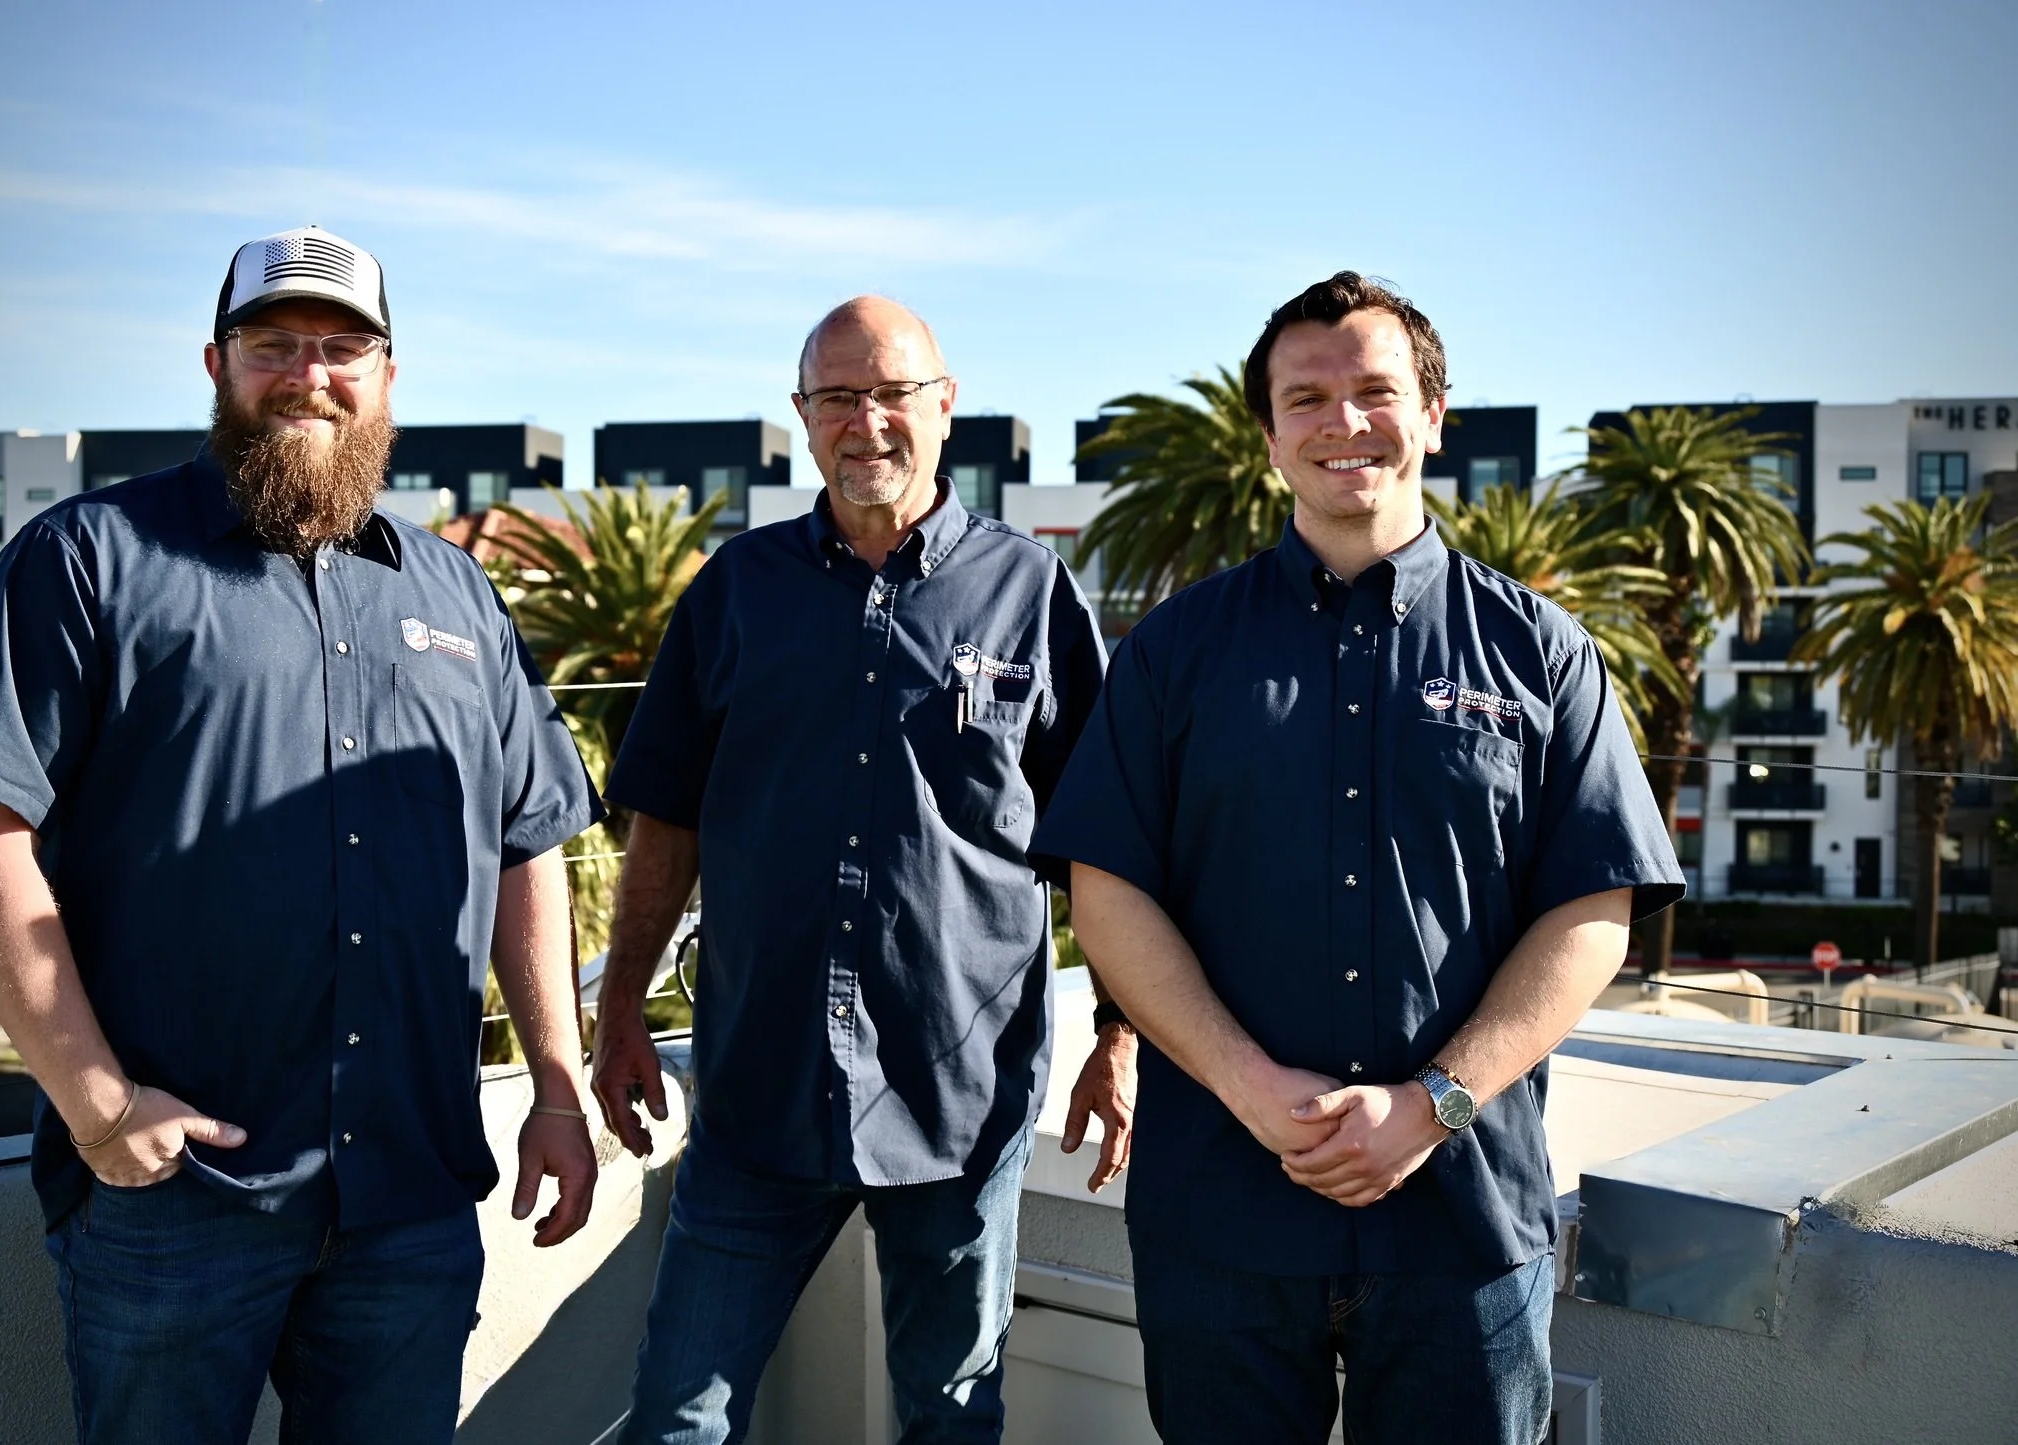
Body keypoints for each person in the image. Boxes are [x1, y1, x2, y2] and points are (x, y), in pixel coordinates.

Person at [0, 225, 605, 1445]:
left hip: (410, 1198)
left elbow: (524, 843)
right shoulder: (88, 560)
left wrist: (555, 1084)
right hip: (179, 1208)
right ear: (216, 363)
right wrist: (101, 1105)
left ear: (390, 375)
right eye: (272, 344)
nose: (308, 374)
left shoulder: (458, 598)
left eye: (342, 347)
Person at [1033, 271, 1684, 1445]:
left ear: (1433, 415)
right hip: (1222, 1226)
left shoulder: (1542, 652)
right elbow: (1108, 889)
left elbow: (1594, 908)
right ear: (1269, 434)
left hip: (1463, 1230)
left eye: (1375, 390)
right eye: (1307, 398)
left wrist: (1435, 1103)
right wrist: (1244, 1082)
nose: (1343, 422)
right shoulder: (1177, 651)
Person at [590, 296, 1134, 1444]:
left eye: (894, 393)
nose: (867, 420)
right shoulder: (736, 591)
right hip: (758, 1094)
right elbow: (668, 825)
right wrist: (621, 1005)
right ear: (802, 417)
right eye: (839, 396)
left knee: (949, 1419)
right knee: (676, 1419)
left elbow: (1109, 845)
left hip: (960, 1096)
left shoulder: (1032, 595)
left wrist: (1119, 1036)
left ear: (946, 408)